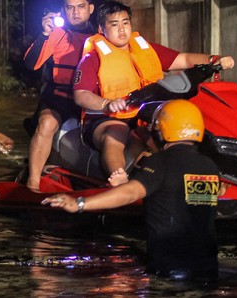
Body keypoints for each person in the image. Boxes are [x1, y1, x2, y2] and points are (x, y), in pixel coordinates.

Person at [43, 100, 221, 280]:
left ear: (162, 131)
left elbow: (131, 193)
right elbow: (184, 195)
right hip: (208, 269)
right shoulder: (210, 166)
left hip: (169, 271)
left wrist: (79, 203)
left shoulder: (160, 162)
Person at [74, 0, 235, 186]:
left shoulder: (145, 49)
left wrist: (214, 59)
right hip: (106, 117)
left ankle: (197, 176)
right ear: (102, 29)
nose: (122, 30)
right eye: (114, 24)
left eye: (125, 23)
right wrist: (106, 104)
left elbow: (182, 59)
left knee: (175, 132)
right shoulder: (92, 58)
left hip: (143, 113)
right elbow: (81, 94)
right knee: (116, 134)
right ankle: (119, 180)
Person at [23, 0, 96, 191]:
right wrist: (45, 34)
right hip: (58, 98)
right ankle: (33, 182)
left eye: (80, 6)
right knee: (46, 123)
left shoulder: (101, 35)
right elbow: (31, 64)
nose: (75, 12)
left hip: (90, 99)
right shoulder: (56, 34)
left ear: (90, 8)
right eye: (70, 7)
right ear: (63, 11)